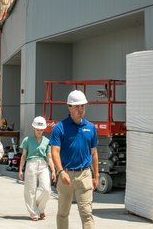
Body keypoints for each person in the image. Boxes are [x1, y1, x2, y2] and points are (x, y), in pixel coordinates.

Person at [50, 90, 98, 229]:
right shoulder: (59, 128)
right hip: (66, 175)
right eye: (77, 106)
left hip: (85, 175)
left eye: (83, 106)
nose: (80, 109)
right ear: (69, 107)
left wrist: (96, 176)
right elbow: (55, 152)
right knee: (63, 213)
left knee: (87, 214)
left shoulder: (91, 128)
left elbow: (94, 153)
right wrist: (60, 172)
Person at [18, 116, 55, 221]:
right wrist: (20, 169)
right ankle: (34, 212)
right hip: (31, 164)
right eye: (38, 129)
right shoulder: (27, 140)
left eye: (41, 130)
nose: (39, 131)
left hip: (43, 165)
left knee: (47, 190)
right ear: (33, 128)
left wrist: (53, 170)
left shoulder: (47, 141)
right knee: (30, 190)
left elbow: (49, 157)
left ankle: (39, 208)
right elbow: (24, 156)